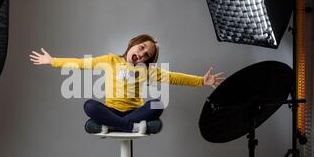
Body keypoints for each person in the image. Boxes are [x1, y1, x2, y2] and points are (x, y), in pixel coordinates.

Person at [29, 34, 224, 134]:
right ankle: (129, 127)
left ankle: (113, 126)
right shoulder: (110, 60)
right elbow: (81, 64)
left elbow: (173, 77)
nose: (141, 54)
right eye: (141, 48)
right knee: (89, 105)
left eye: (146, 55)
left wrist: (201, 81)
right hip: (111, 110)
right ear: (133, 43)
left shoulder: (146, 71)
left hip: (135, 113)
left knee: (158, 104)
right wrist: (52, 61)